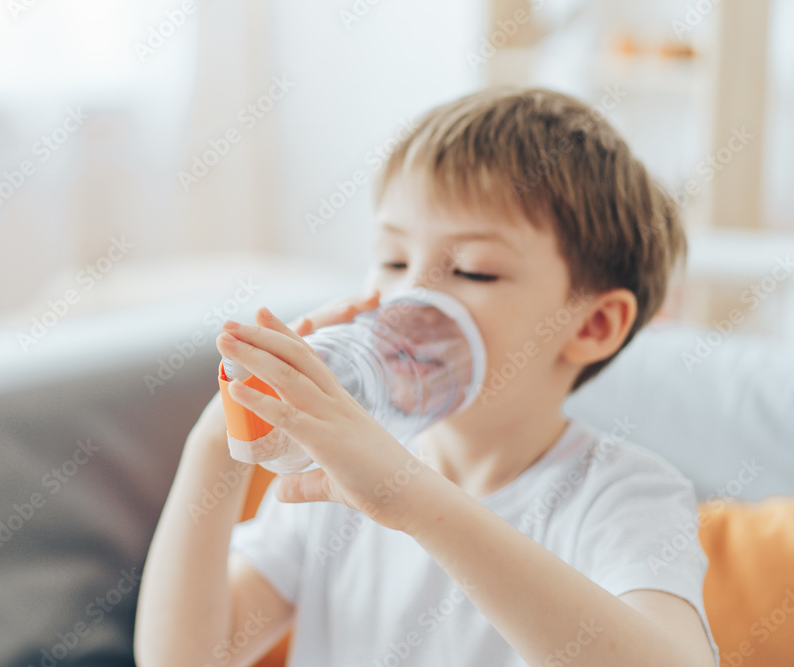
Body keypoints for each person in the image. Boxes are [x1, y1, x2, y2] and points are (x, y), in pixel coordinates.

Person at [135, 86, 720, 667]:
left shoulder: (622, 497)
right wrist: (217, 443)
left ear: (592, 325)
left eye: (473, 270)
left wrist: (412, 498)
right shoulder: (334, 472)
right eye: (393, 260)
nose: (411, 295)